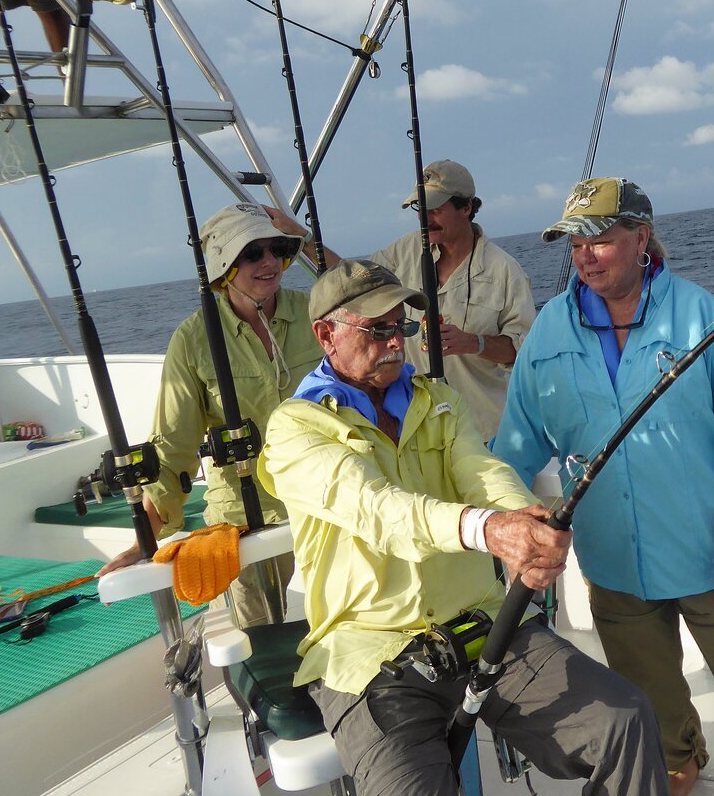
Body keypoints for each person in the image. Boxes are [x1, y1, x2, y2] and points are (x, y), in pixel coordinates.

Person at [257, 258, 668, 796]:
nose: (395, 343)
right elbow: (379, 509)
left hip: (485, 626)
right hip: (373, 655)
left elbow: (483, 472)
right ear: (326, 334)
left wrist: (524, 522)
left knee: (625, 720)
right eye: (377, 330)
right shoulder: (296, 427)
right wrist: (491, 531)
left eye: (401, 326)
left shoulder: (440, 400)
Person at [491, 179, 714, 796]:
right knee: (647, 687)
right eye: (575, 244)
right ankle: (679, 762)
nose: (586, 256)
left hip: (708, 547)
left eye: (600, 239)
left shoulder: (700, 313)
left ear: (641, 238)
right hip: (612, 559)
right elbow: (516, 447)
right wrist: (502, 526)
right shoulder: (548, 331)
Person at [97, 203, 321, 628]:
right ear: (223, 267)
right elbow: (173, 447)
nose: (269, 262)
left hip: (326, 499)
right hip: (242, 518)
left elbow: (374, 309)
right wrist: (146, 536)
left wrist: (306, 239)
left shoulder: (318, 311)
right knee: (256, 638)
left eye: (277, 249)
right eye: (251, 253)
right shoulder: (193, 339)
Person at [370, 159, 535, 438]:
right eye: (420, 209)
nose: (425, 219)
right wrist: (304, 238)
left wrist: (473, 343)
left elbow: (524, 353)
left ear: (466, 207)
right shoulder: (405, 249)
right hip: (417, 431)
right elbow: (355, 280)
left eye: (435, 210)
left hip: (484, 433)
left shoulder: (506, 270)